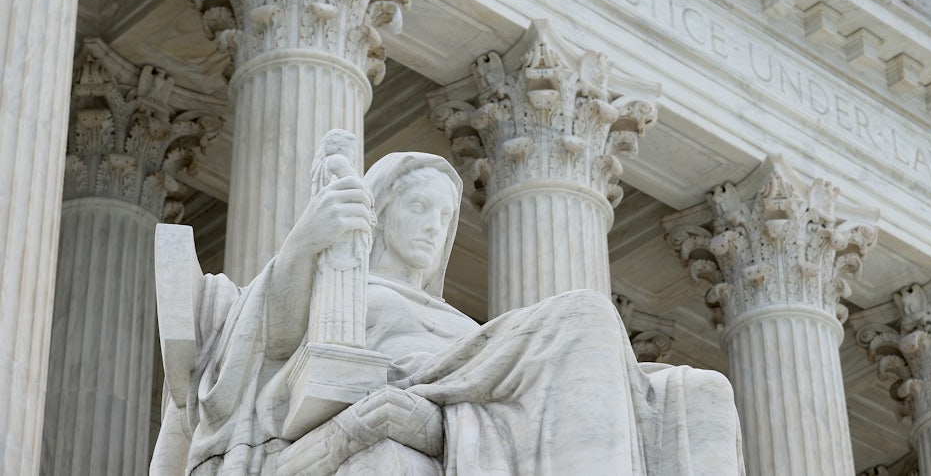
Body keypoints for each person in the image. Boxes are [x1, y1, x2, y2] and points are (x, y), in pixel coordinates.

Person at [153, 148, 746, 475]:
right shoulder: (338, 285)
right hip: (436, 388)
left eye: (444, 216)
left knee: (701, 394)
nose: (435, 227)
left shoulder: (463, 325)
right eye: (418, 207)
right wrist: (308, 241)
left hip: (474, 393)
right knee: (585, 316)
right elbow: (267, 347)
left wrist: (444, 423)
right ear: (380, 210)